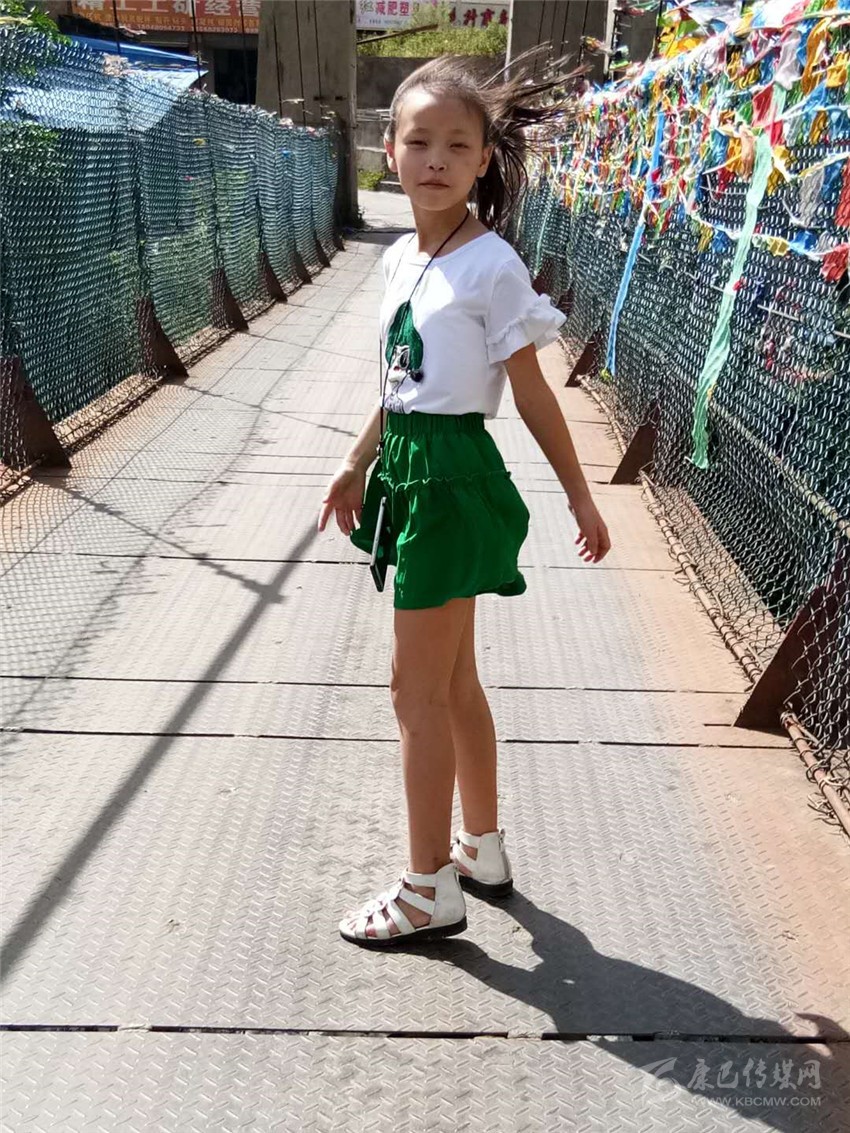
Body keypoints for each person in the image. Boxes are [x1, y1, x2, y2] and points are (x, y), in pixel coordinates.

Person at [316, 54, 611, 949]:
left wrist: (581, 497)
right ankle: (479, 849)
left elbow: (532, 392)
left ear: (484, 159)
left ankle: (425, 889)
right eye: (419, 141)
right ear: (390, 152)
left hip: (450, 478)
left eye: (456, 144)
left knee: (414, 691)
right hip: (411, 465)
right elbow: (400, 380)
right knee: (452, 681)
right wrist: (357, 459)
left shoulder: (491, 265)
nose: (436, 159)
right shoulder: (403, 257)